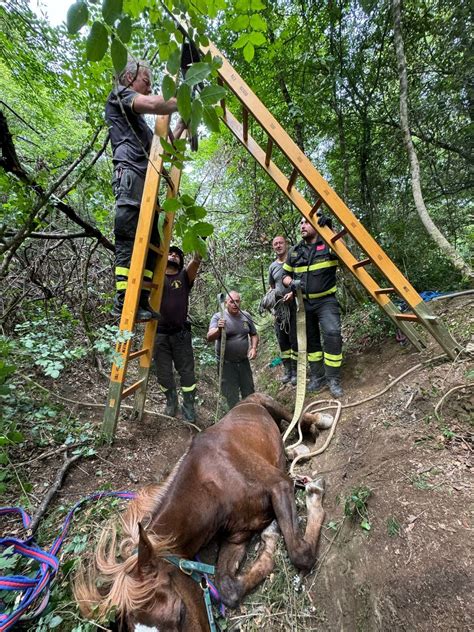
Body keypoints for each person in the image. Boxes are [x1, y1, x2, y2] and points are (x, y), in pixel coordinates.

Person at [105, 58, 183, 320]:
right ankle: (123, 300)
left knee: (153, 243)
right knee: (128, 235)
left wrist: (182, 124)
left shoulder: (140, 126)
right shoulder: (120, 95)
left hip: (147, 182)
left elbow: (167, 149)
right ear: (129, 79)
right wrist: (185, 98)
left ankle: (141, 300)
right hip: (129, 174)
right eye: (146, 82)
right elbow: (154, 104)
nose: (149, 89)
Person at [282, 215, 344, 398]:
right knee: (311, 341)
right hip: (303, 303)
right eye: (300, 222)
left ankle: (333, 379)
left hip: (326, 302)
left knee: (332, 334)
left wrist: (330, 231)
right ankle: (318, 377)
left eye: (306, 222)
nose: (302, 225)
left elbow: (344, 252)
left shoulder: (328, 245)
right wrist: (291, 283)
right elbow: (284, 275)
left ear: (317, 225)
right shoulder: (294, 251)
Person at [154, 246, 201, 422]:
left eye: (177, 255)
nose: (173, 255)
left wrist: (199, 243)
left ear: (181, 261)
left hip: (180, 335)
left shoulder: (184, 277)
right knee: (163, 373)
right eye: (170, 253)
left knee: (187, 373)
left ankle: (188, 405)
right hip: (159, 335)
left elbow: (196, 261)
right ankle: (171, 400)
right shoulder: (155, 277)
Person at [207, 291, 259, 410]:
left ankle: (249, 415)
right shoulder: (218, 317)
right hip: (226, 364)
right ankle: (235, 419)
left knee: (249, 391)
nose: (235, 304)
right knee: (231, 396)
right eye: (232, 302)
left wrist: (254, 348)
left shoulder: (246, 316)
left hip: (243, 362)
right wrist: (218, 330)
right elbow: (209, 337)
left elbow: (254, 334)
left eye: (237, 301)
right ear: (226, 303)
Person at [268, 235, 297, 385]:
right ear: (273, 247)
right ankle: (288, 371)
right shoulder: (272, 267)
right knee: (283, 340)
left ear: (286, 244)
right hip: (279, 309)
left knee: (294, 339)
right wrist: (270, 303)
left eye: (280, 243)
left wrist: (293, 294)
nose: (278, 245)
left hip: (294, 307)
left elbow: (300, 281)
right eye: (275, 244)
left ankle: (296, 371)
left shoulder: (294, 260)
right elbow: (272, 287)